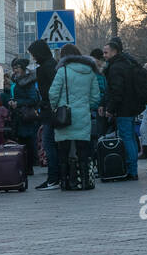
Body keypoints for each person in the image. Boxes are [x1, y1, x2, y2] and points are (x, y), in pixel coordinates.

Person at [48, 44, 103, 191]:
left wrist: (55, 107)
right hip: (83, 115)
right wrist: (85, 105)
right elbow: (95, 97)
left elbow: (53, 93)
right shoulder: (90, 72)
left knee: (63, 151)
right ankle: (85, 181)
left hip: (64, 115)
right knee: (83, 150)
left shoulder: (62, 70)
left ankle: (65, 183)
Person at [102, 37, 142, 181]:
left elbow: (117, 91)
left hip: (124, 109)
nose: (104, 56)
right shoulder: (126, 63)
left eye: (106, 53)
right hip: (131, 107)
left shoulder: (116, 67)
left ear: (114, 52)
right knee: (130, 137)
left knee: (127, 138)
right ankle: (132, 169)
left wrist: (110, 109)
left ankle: (132, 170)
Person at [29, 40, 63, 192]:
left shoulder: (45, 68)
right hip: (54, 110)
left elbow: (49, 92)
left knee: (49, 145)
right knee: (55, 145)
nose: (33, 57)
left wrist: (43, 105)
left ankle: (53, 178)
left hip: (49, 112)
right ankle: (58, 177)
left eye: (34, 54)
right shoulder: (53, 64)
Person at [7, 56, 41, 177]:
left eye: (17, 68)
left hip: (27, 117)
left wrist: (18, 103)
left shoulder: (27, 82)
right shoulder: (17, 81)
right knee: (22, 141)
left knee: (28, 142)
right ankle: (25, 166)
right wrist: (12, 102)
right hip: (20, 116)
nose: (15, 70)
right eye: (14, 68)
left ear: (22, 68)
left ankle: (28, 167)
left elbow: (33, 99)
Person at [89, 47, 109, 140]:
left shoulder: (98, 71)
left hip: (98, 108)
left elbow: (101, 90)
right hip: (103, 106)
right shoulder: (104, 69)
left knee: (98, 133)